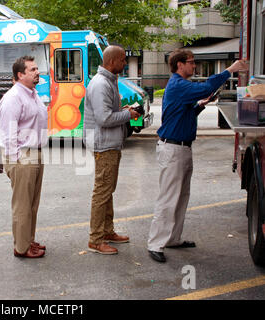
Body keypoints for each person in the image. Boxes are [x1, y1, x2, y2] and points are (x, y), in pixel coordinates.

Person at [147, 49, 248, 263]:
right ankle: (155, 243)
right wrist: (231, 69)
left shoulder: (178, 86)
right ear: (179, 65)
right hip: (173, 149)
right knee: (168, 198)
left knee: (181, 197)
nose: (194, 66)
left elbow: (186, 112)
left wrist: (200, 107)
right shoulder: (178, 85)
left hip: (180, 148)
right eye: (191, 63)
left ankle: (172, 238)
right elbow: (206, 87)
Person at [83, 45, 140, 255]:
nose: (125, 63)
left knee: (107, 190)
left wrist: (122, 111)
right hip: (104, 144)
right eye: (123, 60)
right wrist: (129, 115)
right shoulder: (101, 84)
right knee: (102, 191)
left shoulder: (108, 81)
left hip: (108, 143)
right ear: (112, 61)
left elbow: (106, 113)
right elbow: (104, 118)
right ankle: (96, 239)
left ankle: (107, 232)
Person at [0, 56, 48, 259]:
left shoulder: (32, 94)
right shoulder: (13, 97)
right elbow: (9, 133)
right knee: (22, 205)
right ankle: (21, 247)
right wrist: (16, 160)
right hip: (23, 156)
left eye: (37, 68)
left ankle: (27, 239)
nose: (37, 72)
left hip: (34, 152)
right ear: (20, 75)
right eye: (32, 69)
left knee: (32, 204)